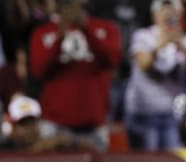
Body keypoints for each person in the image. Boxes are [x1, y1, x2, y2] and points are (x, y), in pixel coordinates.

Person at [30, 0, 122, 149]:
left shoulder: (106, 28)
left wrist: (85, 29)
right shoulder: (43, 32)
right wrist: (61, 35)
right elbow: (39, 70)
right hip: (54, 123)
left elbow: (112, 61)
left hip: (94, 124)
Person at [124, 0, 186, 150]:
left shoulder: (185, 39)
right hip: (145, 111)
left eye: (172, 13)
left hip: (173, 112)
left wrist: (181, 45)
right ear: (155, 16)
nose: (168, 17)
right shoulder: (143, 35)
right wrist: (161, 44)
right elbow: (144, 64)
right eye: (164, 13)